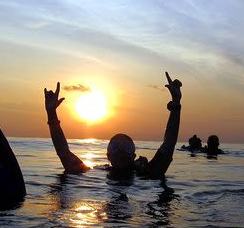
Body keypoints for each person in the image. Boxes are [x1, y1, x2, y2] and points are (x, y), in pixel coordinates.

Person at [44, 72, 182, 179]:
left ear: (134, 155)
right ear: (108, 156)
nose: (121, 151)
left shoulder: (149, 173)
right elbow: (63, 152)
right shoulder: (91, 173)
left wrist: (176, 104)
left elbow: (168, 145)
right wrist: (51, 113)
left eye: (126, 148)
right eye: (115, 147)